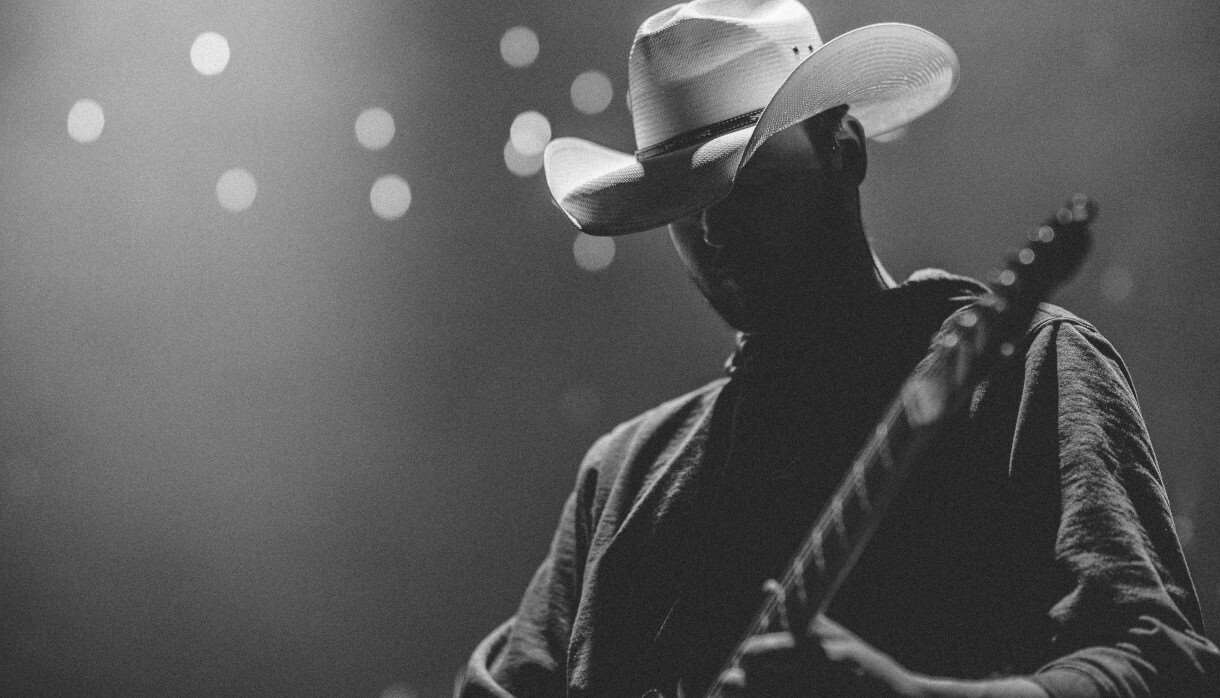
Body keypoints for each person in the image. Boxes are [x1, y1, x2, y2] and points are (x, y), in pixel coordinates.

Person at [457, 1, 1220, 696]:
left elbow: (1159, 661)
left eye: (740, 182)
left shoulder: (1022, 364)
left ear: (845, 148)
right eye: (683, 204)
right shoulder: (620, 475)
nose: (712, 232)